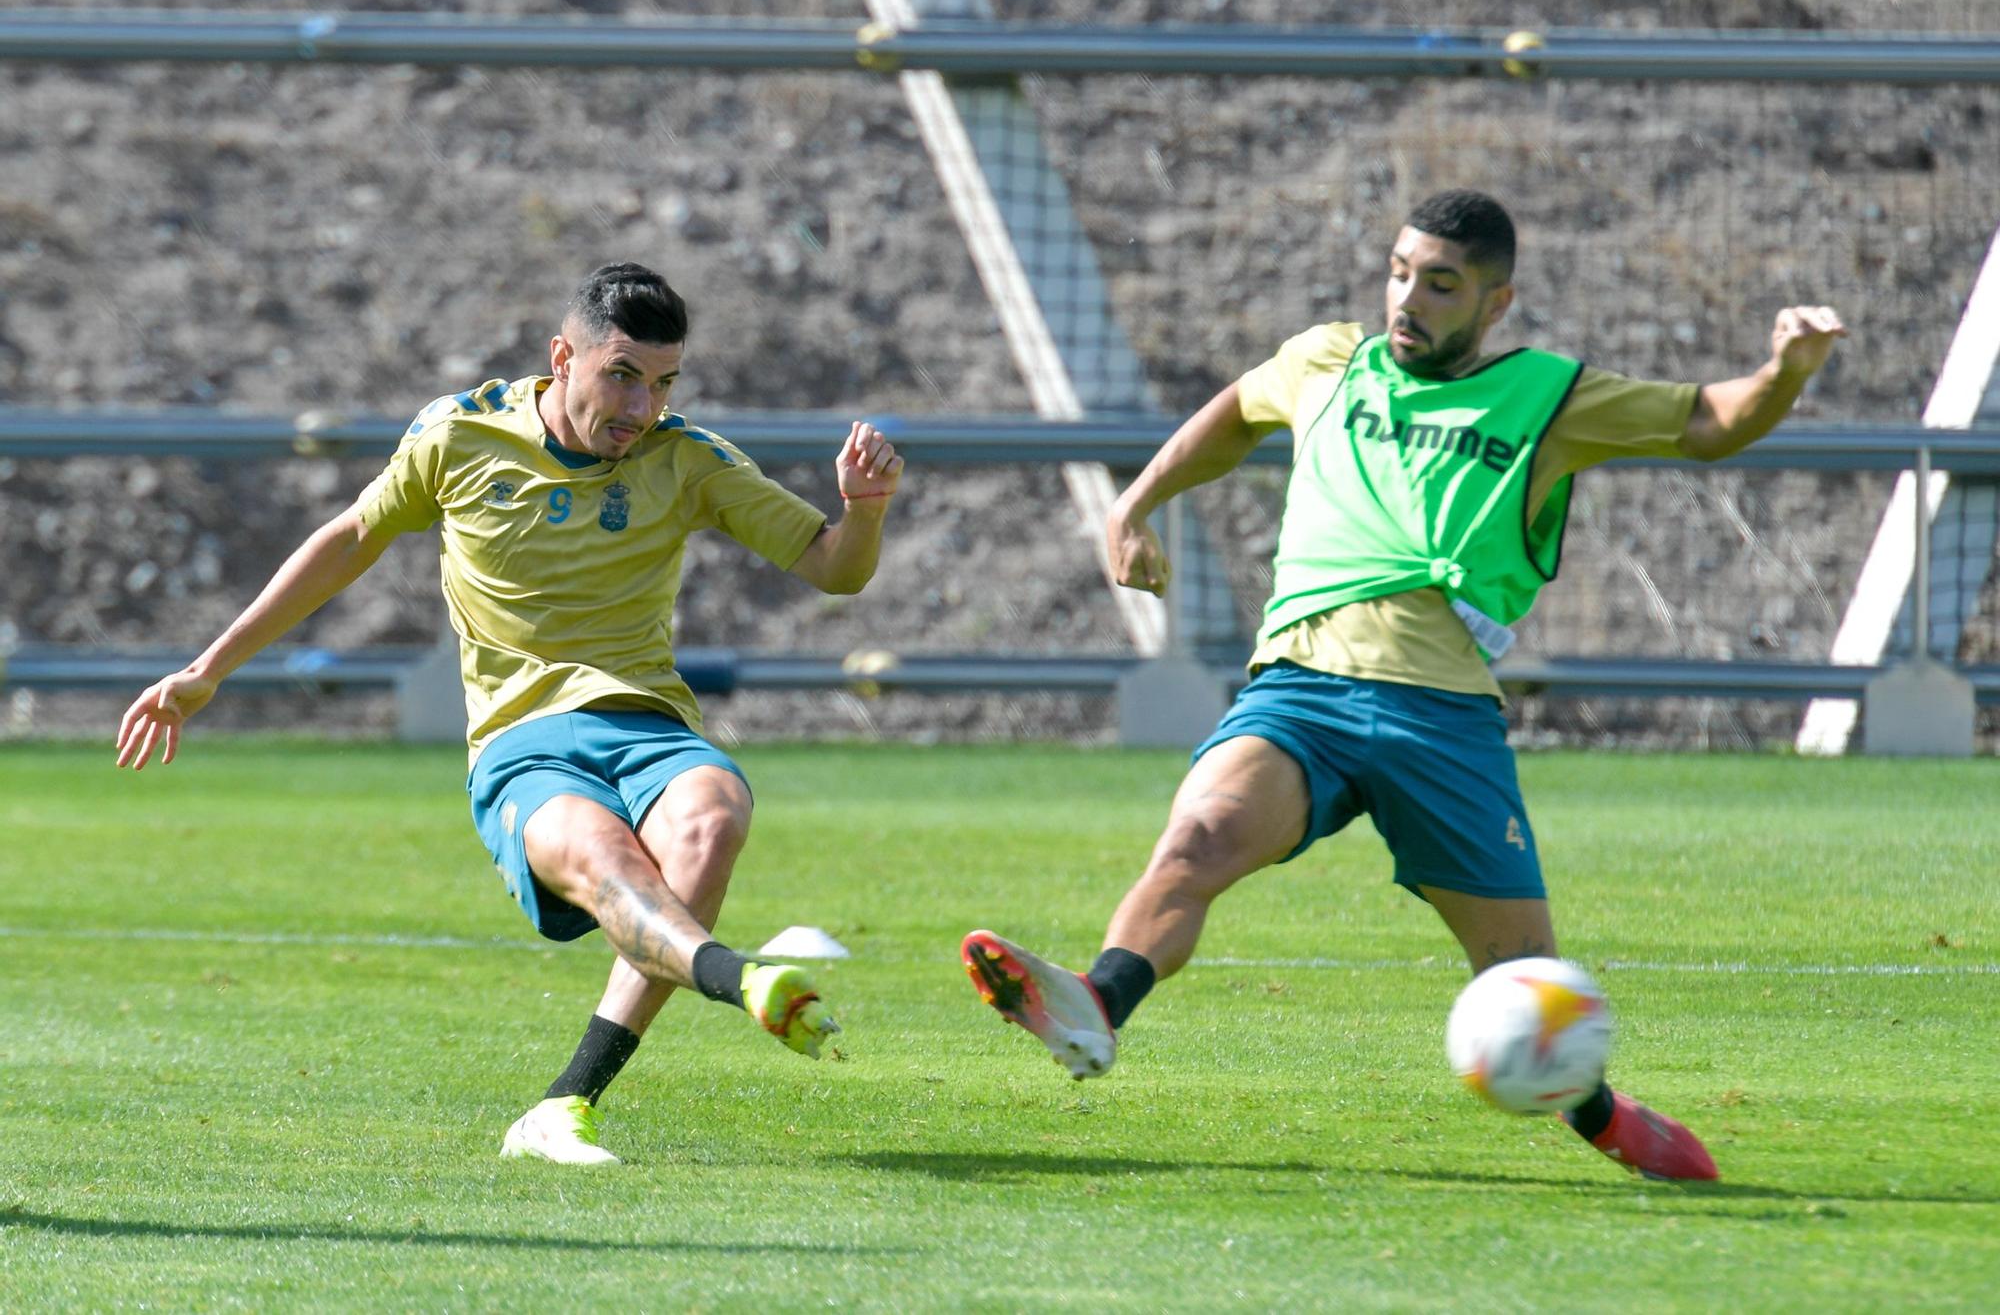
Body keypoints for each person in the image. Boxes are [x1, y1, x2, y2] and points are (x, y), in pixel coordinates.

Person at [961, 189, 1846, 1182]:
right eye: (1397, 271)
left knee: (1520, 979)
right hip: (1299, 686)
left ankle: (1601, 1113)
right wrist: (1134, 502)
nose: (1407, 297)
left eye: (1439, 283)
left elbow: (1708, 422)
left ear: (1494, 303)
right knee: (1198, 836)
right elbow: (1231, 414)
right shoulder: (1324, 361)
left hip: (1439, 714)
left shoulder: (1547, 395)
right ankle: (1093, 1004)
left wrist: (1783, 371)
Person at [116, 262, 903, 1165]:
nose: (643, 407)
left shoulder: (688, 460)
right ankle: (736, 977)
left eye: (663, 383)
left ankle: (566, 1103)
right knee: (605, 859)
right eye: (622, 375)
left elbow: (836, 569)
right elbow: (348, 541)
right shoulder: (458, 435)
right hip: (523, 746)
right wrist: (208, 669)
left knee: (715, 812)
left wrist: (865, 511)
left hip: (645, 721)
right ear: (563, 357)